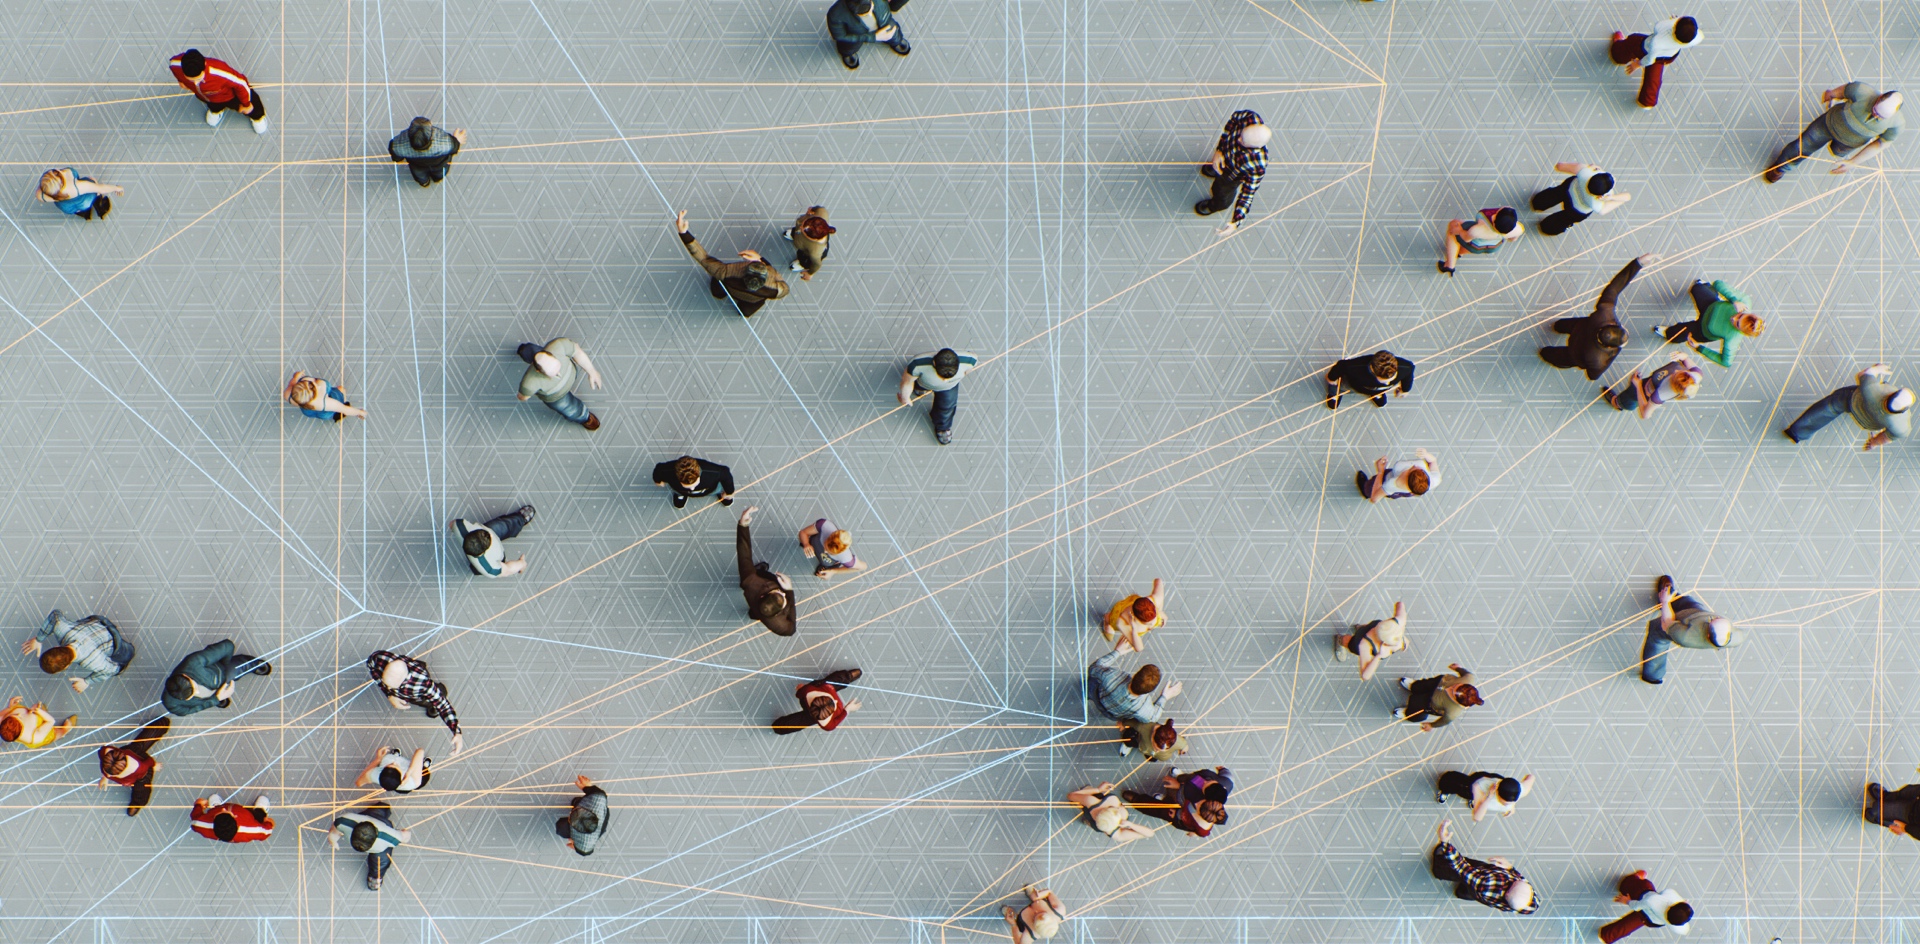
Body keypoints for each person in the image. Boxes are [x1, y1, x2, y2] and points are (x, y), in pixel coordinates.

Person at [1539, 255, 1655, 380]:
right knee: (1553, 356)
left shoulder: (1604, 314)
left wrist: (1638, 263)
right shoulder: (1598, 359)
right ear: (1610, 347)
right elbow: (1592, 375)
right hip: (1574, 354)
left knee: (1563, 325)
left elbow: (1614, 287)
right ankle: (1545, 353)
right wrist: (1613, 355)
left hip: (1579, 327)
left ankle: (1557, 326)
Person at [1766, 83, 1904, 181]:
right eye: (1875, 111)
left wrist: (1853, 162)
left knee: (1837, 152)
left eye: (1881, 117)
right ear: (1879, 98)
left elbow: (1881, 144)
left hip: (1848, 144)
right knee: (1802, 146)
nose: (1875, 116)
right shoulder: (1862, 90)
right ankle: (1781, 168)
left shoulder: (1897, 124)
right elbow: (1844, 91)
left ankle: (1837, 150)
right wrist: (1832, 94)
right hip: (1827, 125)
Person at [675, 211, 789, 316]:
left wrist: (683, 233)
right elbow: (785, 289)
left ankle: (719, 294)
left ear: (745, 269)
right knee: (746, 312)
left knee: (717, 285)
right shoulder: (776, 289)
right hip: (752, 300)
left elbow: (703, 257)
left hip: (730, 288)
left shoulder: (726, 272)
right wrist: (762, 259)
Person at [1640, 575, 1740, 684]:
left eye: (1712, 621)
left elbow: (1666, 623)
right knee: (1688, 602)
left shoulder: (1684, 636)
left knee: (1657, 636)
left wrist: (1665, 602)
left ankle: (1653, 674)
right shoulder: (1738, 637)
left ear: (1707, 634)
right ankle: (1670, 595)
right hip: (1696, 612)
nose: (1716, 617)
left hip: (1678, 623)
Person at [1785, 364, 1915, 448]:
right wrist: (1873, 442)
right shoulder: (1902, 427)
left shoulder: (1871, 389)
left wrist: (1876, 369)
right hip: (1869, 423)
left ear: (1890, 395)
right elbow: (1886, 438)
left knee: (1829, 407)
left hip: (1852, 401)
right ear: (1903, 410)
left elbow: (1864, 374)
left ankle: (1797, 432)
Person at [1429, 820, 1537, 914]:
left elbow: (1462, 868)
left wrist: (1445, 843)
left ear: (1507, 893)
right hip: (1484, 893)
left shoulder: (1486, 884)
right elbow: (1522, 882)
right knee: (1470, 892)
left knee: (1459, 872)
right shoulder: (1528, 905)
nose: (1518, 878)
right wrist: (1510, 868)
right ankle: (1463, 893)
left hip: (1482, 878)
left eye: (1515, 881)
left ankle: (1439, 870)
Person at [367, 650, 465, 753]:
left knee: (432, 699)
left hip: (418, 694)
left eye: (392, 688)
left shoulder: (422, 684)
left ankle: (437, 695)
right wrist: (389, 694)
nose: (388, 687)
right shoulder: (380, 658)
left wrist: (456, 732)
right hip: (410, 677)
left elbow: (443, 705)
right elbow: (371, 665)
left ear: (404, 683)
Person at [1652, 279, 1761, 369]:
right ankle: (1707, 288)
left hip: (1702, 330)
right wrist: (1734, 300)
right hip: (1711, 305)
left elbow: (1726, 362)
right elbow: (1718, 283)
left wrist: (1699, 348)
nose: (1733, 318)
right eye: (1740, 315)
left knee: (1675, 334)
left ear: (1741, 331)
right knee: (1697, 288)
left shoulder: (1733, 339)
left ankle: (1667, 332)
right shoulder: (1744, 301)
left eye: (1737, 324)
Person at [1195, 110, 1271, 235]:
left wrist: (1237, 222)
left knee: (1222, 196)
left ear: (1256, 146)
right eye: (1241, 135)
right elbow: (1234, 119)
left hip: (1231, 176)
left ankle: (1213, 206)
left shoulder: (1258, 165)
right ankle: (1214, 169)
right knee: (1215, 167)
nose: (1239, 139)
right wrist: (1219, 150)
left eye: (1244, 142)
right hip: (1223, 155)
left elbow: (1247, 195)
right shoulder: (1250, 117)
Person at [23, 608, 135, 692]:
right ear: (55, 647)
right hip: (98, 622)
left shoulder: (91, 661)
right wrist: (38, 639)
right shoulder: (62, 630)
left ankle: (130, 652)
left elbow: (112, 670)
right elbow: (55, 615)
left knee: (127, 654)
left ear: (66, 667)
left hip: (114, 640)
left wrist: (87, 681)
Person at [1609, 17, 1701, 109]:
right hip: (1667, 57)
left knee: (1632, 42)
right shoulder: (1695, 39)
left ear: (1675, 25)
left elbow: (1649, 59)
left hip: (1645, 49)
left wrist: (1638, 64)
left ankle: (1617, 54)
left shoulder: (1658, 36)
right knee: (1653, 79)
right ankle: (1647, 102)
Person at [169, 48, 267, 133]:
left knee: (254, 106)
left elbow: (241, 84)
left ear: (204, 65)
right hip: (208, 97)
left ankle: (257, 117)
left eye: (198, 79)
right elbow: (174, 69)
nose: (195, 82)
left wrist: (247, 104)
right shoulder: (175, 64)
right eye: (191, 79)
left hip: (229, 95)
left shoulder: (220, 72)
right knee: (213, 104)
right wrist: (181, 81)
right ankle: (216, 111)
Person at [162, 639, 271, 716]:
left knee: (236, 669)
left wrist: (225, 666)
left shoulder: (194, 662)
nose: (197, 693)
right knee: (213, 699)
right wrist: (215, 700)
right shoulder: (170, 704)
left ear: (186, 675)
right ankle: (220, 698)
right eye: (191, 696)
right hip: (213, 697)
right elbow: (188, 710)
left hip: (222, 674)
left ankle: (252, 664)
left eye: (194, 689)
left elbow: (227, 646)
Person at [516, 338, 603, 430]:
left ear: (552, 355)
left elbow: (577, 352)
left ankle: (527, 350)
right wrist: (529, 390)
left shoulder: (558, 345)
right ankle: (583, 417)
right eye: (552, 372)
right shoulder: (529, 383)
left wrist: (592, 371)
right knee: (570, 409)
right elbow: (523, 397)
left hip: (571, 374)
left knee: (536, 353)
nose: (558, 372)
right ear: (538, 371)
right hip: (557, 397)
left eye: (556, 365)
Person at [736, 506, 797, 637]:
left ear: (763, 596)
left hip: (753, 592)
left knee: (755, 609)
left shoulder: (750, 580)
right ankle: (753, 613)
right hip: (755, 601)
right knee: (754, 612)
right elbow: (791, 629)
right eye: (783, 595)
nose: (783, 593)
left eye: (779, 592)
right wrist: (789, 591)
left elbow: (744, 553)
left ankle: (754, 612)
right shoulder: (780, 626)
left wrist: (743, 524)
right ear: (778, 613)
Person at [897, 347, 979, 445]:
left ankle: (942, 427)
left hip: (949, 388)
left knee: (946, 408)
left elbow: (969, 370)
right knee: (918, 386)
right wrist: (905, 397)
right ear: (934, 363)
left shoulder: (970, 360)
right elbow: (907, 382)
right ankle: (919, 389)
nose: (944, 380)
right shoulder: (917, 364)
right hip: (924, 382)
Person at [1087, 648, 1181, 732]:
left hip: (1097, 694)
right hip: (1112, 715)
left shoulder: (1111, 676)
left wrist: (1117, 652)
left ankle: (1086, 696)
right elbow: (1153, 717)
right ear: (1149, 691)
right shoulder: (1142, 707)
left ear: (1136, 674)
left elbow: (1094, 668)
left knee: (1090, 686)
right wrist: (1164, 697)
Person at [1123, 766, 1231, 838]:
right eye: (1201, 802)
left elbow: (1193, 828)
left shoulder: (1203, 829)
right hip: (1181, 797)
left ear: (1201, 815)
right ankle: (1164, 798)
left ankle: (1137, 800)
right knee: (1173, 794)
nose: (1196, 803)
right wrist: (1180, 785)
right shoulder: (1211, 790)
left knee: (1158, 811)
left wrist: (1178, 814)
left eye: (1197, 807)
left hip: (1178, 815)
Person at [1531, 163, 1631, 236]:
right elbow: (1627, 197)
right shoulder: (1597, 204)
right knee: (1562, 220)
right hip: (1576, 211)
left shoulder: (1585, 172)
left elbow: (1560, 166)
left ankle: (1538, 203)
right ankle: (1547, 228)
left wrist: (1591, 167)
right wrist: (1612, 197)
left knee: (1553, 194)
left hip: (1567, 189)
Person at [98, 716, 170, 816]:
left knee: (142, 789)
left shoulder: (139, 767)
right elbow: (106, 767)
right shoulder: (106, 753)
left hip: (142, 773)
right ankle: (161, 725)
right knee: (139, 744)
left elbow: (148, 762)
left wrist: (153, 766)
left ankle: (137, 803)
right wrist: (105, 777)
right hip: (129, 750)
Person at [330, 803, 410, 891]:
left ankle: (376, 877)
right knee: (380, 863)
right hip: (373, 822)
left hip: (374, 822)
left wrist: (333, 840)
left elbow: (334, 830)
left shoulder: (344, 820)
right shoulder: (391, 837)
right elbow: (405, 836)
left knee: (380, 863)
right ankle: (383, 808)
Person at [1603, 352, 1704, 419]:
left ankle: (1617, 403)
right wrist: (1683, 356)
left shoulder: (1662, 394)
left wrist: (1638, 386)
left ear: (1674, 385)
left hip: (1643, 392)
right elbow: (1686, 358)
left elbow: (1645, 414)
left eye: (1675, 375)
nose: (1676, 370)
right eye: (1682, 371)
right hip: (1648, 382)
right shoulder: (1696, 374)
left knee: (1628, 399)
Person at [1601, 870, 1694, 941]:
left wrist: (1628, 901)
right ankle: (1605, 936)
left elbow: (1637, 906)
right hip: (1650, 920)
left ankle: (1634, 879)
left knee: (1642, 884)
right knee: (1624, 928)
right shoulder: (1679, 928)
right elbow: (1685, 929)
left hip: (1642, 898)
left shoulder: (1655, 899)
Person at [450, 505, 535, 578]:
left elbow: (452, 524)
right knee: (504, 526)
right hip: (497, 556)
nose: (491, 535)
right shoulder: (491, 569)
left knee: (477, 568)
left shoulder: (459, 526)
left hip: (476, 558)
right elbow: (507, 569)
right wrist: (521, 564)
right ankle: (520, 519)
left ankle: (519, 519)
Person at [770, 669, 863, 734]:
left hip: (808, 699)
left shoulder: (809, 690)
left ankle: (780, 727)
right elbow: (838, 719)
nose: (835, 701)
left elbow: (799, 694)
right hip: (811, 710)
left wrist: (801, 688)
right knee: (833, 681)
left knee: (795, 722)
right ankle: (847, 677)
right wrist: (847, 709)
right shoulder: (828, 725)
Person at [1333, 600, 1407, 681]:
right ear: (1385, 643)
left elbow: (1400, 604)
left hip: (1376, 626)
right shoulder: (1364, 645)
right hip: (1362, 638)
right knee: (1350, 643)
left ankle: (1361, 628)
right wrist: (1378, 656)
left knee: (1366, 627)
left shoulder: (1400, 620)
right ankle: (1340, 640)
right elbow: (1365, 676)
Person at [826, 0, 911, 70]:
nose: (870, 14)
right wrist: (874, 37)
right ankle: (848, 54)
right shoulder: (835, 14)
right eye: (865, 14)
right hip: (856, 33)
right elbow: (840, 36)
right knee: (848, 46)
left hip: (883, 21)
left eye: (871, 8)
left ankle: (896, 41)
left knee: (894, 32)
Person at [1394, 664, 1481, 731]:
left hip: (1430, 703)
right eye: (1455, 686)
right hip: (1438, 682)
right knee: (1422, 685)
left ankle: (1409, 713)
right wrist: (1457, 668)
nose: (1449, 688)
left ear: (1457, 701)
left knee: (1416, 705)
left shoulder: (1452, 713)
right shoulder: (1469, 678)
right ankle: (1413, 686)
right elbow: (1464, 672)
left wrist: (1431, 725)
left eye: (1452, 692)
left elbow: (1443, 721)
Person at [1437, 207, 1522, 275]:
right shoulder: (1518, 229)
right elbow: (1513, 239)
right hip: (1494, 245)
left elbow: (1466, 238)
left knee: (1453, 228)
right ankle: (1459, 253)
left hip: (1475, 243)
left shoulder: (1478, 229)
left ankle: (1449, 265)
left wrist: (1459, 230)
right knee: (1467, 249)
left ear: (1496, 218)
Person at [387, 117, 467, 188]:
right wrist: (456, 140)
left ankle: (424, 183)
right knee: (440, 173)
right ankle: (437, 179)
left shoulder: (397, 146)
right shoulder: (446, 143)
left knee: (420, 176)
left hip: (417, 166)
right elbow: (454, 149)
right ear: (430, 135)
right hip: (440, 165)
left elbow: (397, 158)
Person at [1324, 350, 1416, 409]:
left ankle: (1375, 393)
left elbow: (1408, 376)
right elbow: (1340, 366)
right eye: (1383, 379)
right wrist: (1331, 378)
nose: (1388, 382)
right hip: (1353, 384)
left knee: (1380, 393)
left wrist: (1405, 390)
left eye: (1392, 378)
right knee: (1339, 386)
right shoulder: (1355, 366)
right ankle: (1334, 393)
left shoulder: (1406, 367)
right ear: (1372, 369)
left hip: (1376, 389)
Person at [1067, 783, 1154, 842]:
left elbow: (1071, 795)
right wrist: (1131, 825)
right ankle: (1087, 822)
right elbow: (1150, 833)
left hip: (1091, 806)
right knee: (1090, 822)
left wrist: (1098, 789)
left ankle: (1087, 819)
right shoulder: (1116, 834)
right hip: (1099, 825)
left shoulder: (1090, 801)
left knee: (1083, 800)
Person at [1434, 770, 1534, 822]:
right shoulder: (1479, 790)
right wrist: (1488, 798)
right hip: (1475, 783)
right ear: (1497, 793)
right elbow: (1477, 817)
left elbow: (1531, 777)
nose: (1506, 805)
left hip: (1493, 779)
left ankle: (1473, 800)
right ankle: (1446, 788)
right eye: (1504, 802)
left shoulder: (1522, 790)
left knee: (1476, 801)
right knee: (1459, 785)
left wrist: (1512, 806)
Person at [1100, 578, 1166, 652]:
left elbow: (1159, 581)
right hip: (1118, 614)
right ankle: (1107, 620)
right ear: (1135, 617)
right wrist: (1134, 630)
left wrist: (1161, 612)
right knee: (1110, 626)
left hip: (1134, 602)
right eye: (1148, 623)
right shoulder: (1121, 622)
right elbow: (1139, 648)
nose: (1151, 626)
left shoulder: (1155, 599)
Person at [35, 168, 122, 221]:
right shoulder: (76, 186)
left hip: (67, 208)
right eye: (57, 174)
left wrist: (57, 198)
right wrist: (117, 188)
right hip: (84, 202)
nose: (58, 170)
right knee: (93, 181)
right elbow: (101, 188)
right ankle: (100, 208)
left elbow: (42, 194)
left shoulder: (42, 195)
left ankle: (86, 215)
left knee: (79, 210)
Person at [651, 456, 736, 509]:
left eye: (693, 484)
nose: (692, 489)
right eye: (687, 486)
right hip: (680, 490)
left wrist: (729, 492)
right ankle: (681, 495)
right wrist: (658, 481)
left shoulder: (713, 471)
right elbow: (658, 469)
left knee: (719, 488)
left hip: (710, 488)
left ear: (699, 474)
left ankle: (721, 494)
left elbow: (726, 474)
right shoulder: (667, 471)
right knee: (678, 491)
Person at [284, 370, 369, 421]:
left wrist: (295, 377)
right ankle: (337, 414)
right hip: (325, 411)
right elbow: (345, 409)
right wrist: (360, 412)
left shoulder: (288, 395)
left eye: (310, 384)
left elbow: (291, 383)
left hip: (308, 411)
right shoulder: (325, 402)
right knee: (341, 390)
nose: (316, 385)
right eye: (314, 389)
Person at [1358, 449, 1439, 503]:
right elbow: (1433, 461)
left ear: (1406, 477)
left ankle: (1366, 491)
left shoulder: (1392, 484)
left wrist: (1380, 471)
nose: (1415, 466)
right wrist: (1426, 454)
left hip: (1385, 478)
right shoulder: (1434, 481)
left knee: (1370, 487)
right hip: (1404, 491)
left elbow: (1374, 498)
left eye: (1411, 469)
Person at [557, 774, 610, 855]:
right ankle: (577, 802)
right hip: (599, 811)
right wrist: (587, 787)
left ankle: (576, 802)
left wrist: (576, 847)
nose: (570, 812)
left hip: (600, 825)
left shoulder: (587, 841)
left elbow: (585, 852)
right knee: (577, 801)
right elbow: (598, 792)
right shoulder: (598, 799)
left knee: (561, 827)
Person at [190, 793, 274, 843]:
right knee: (259, 816)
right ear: (234, 818)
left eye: (220, 813)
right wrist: (268, 822)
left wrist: (198, 805)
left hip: (215, 811)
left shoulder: (200, 825)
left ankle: (216, 806)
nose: (223, 809)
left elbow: (194, 818)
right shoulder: (252, 830)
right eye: (225, 812)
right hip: (246, 814)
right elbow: (267, 832)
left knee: (216, 809)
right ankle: (261, 809)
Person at [798, 518, 865, 578]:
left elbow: (863, 567)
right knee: (805, 541)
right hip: (814, 543)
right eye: (826, 546)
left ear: (840, 552)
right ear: (829, 537)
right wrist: (806, 544)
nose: (825, 551)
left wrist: (833, 571)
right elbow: (803, 532)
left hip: (828, 562)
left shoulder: (846, 558)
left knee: (825, 568)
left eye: (830, 552)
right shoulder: (824, 525)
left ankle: (826, 568)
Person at [0, 697, 76, 749]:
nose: (19, 714)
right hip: (43, 732)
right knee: (55, 734)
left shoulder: (3, 720)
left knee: (41, 712)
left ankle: (43, 712)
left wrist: (9, 707)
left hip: (36, 717)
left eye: (13, 715)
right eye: (19, 717)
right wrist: (39, 711)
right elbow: (51, 721)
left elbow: (2, 714)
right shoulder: (35, 737)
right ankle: (64, 731)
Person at [354, 746, 431, 795]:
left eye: (390, 764)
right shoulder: (414, 782)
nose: (394, 762)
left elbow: (358, 783)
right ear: (401, 775)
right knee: (423, 771)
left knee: (388, 758)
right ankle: (424, 765)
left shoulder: (374, 774)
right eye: (396, 766)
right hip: (411, 771)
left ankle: (395, 756)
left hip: (397, 781)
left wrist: (378, 759)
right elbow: (420, 751)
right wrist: (409, 772)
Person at [784, 206, 835, 280]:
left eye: (804, 230)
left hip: (805, 252)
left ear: (813, 239)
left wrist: (810, 273)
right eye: (804, 225)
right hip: (799, 236)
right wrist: (811, 210)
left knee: (804, 259)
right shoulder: (822, 212)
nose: (801, 227)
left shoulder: (815, 252)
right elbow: (818, 208)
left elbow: (817, 264)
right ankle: (793, 234)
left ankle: (802, 263)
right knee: (797, 231)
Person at [1001, 886, 1066, 943]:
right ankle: (1032, 893)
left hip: (1021, 918)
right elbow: (1049, 893)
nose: (1036, 912)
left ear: (1035, 925)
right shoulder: (1059, 910)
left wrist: (1013, 925)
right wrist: (1039, 895)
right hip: (1036, 898)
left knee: (1015, 921)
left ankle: (1011, 915)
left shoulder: (1030, 934)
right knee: (1034, 895)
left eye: (1035, 917)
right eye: (1041, 913)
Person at [1120, 717, 1188, 764]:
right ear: (1153, 736)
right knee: (1128, 739)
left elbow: (1185, 746)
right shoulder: (1144, 727)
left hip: (1148, 752)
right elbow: (1132, 722)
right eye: (1157, 747)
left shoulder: (1179, 741)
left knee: (1152, 758)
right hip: (1140, 740)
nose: (1157, 751)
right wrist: (1123, 723)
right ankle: (1127, 745)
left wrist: (1184, 749)